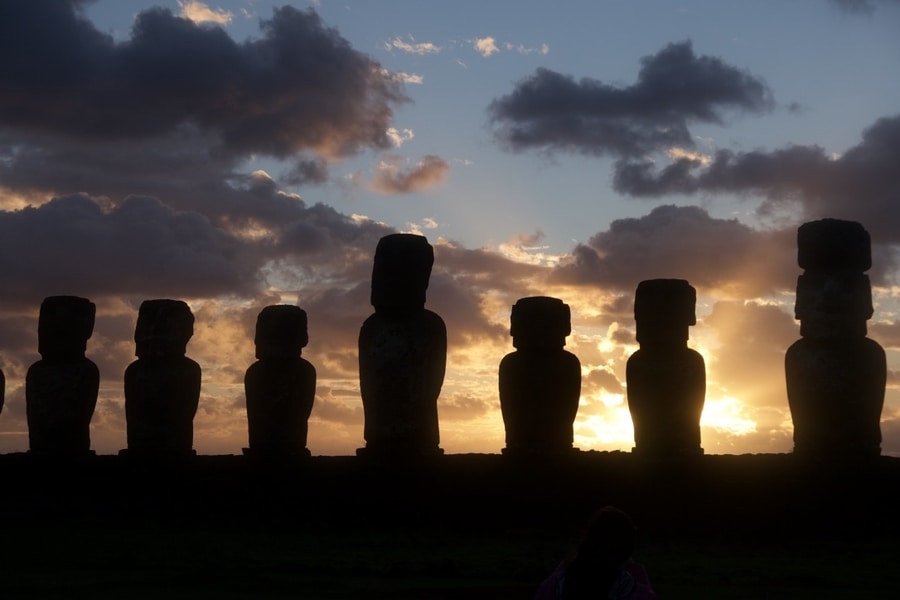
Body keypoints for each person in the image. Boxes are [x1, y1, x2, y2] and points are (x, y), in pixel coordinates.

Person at [535, 506, 657, 600]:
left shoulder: (556, 586)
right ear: (626, 552)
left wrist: (569, 565)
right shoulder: (631, 591)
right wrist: (636, 570)